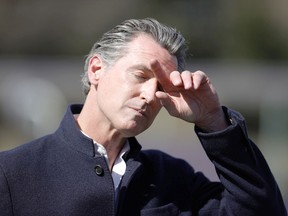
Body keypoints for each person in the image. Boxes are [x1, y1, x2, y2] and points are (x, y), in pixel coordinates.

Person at [0, 18, 286, 216]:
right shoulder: (12, 173)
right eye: (140, 76)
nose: (150, 95)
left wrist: (214, 122)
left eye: (161, 87)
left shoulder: (175, 180)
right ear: (96, 70)